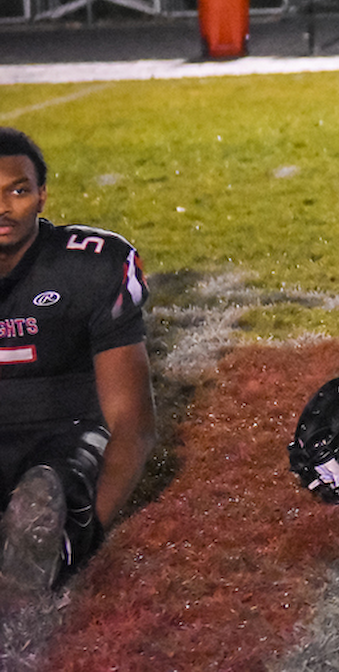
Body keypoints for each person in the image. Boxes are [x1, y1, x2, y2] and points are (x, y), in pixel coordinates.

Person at [0, 127, 156, 592]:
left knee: (57, 484)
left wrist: (88, 533)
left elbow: (133, 423)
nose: (3, 207)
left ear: (42, 196)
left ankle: (54, 539)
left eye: (18, 191)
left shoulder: (88, 267)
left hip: (64, 430)